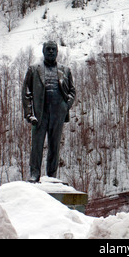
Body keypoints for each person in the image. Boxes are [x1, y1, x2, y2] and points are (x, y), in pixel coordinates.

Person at [22, 41, 76, 183]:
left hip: (58, 113)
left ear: (57, 52)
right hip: (40, 114)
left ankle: (52, 176)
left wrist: (66, 106)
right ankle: (34, 174)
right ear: (43, 51)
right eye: (48, 49)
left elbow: (72, 91)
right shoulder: (34, 69)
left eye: (53, 49)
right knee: (37, 145)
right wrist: (29, 114)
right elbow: (27, 92)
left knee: (54, 145)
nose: (51, 51)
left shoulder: (65, 70)